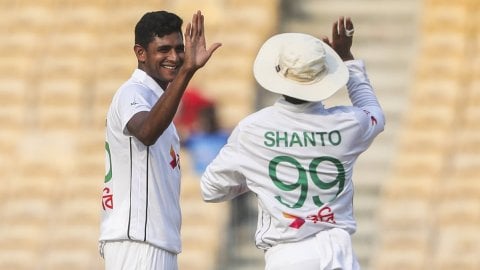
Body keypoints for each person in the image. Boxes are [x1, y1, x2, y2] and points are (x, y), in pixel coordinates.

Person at [200, 16, 385, 270]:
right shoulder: (349, 124)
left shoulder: (253, 129)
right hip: (340, 255)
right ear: (324, 78)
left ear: (278, 75)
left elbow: (211, 189)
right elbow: (375, 113)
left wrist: (258, 177)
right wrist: (348, 60)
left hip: (288, 257)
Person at [99, 10, 221, 270]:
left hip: (154, 241)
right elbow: (146, 132)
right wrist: (187, 72)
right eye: (163, 49)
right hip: (137, 242)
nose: (174, 57)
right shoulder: (132, 92)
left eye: (179, 49)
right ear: (141, 53)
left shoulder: (158, 99)